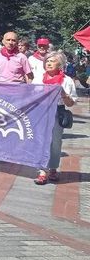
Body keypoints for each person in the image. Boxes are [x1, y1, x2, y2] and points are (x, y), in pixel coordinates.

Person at [35, 53, 77, 185]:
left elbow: (71, 103)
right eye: (47, 61)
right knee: (41, 141)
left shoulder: (67, 81)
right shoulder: (38, 78)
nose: (48, 63)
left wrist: (64, 95)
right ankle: (42, 171)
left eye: (52, 61)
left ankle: (52, 168)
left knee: (55, 142)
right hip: (41, 112)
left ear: (59, 65)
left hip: (57, 112)